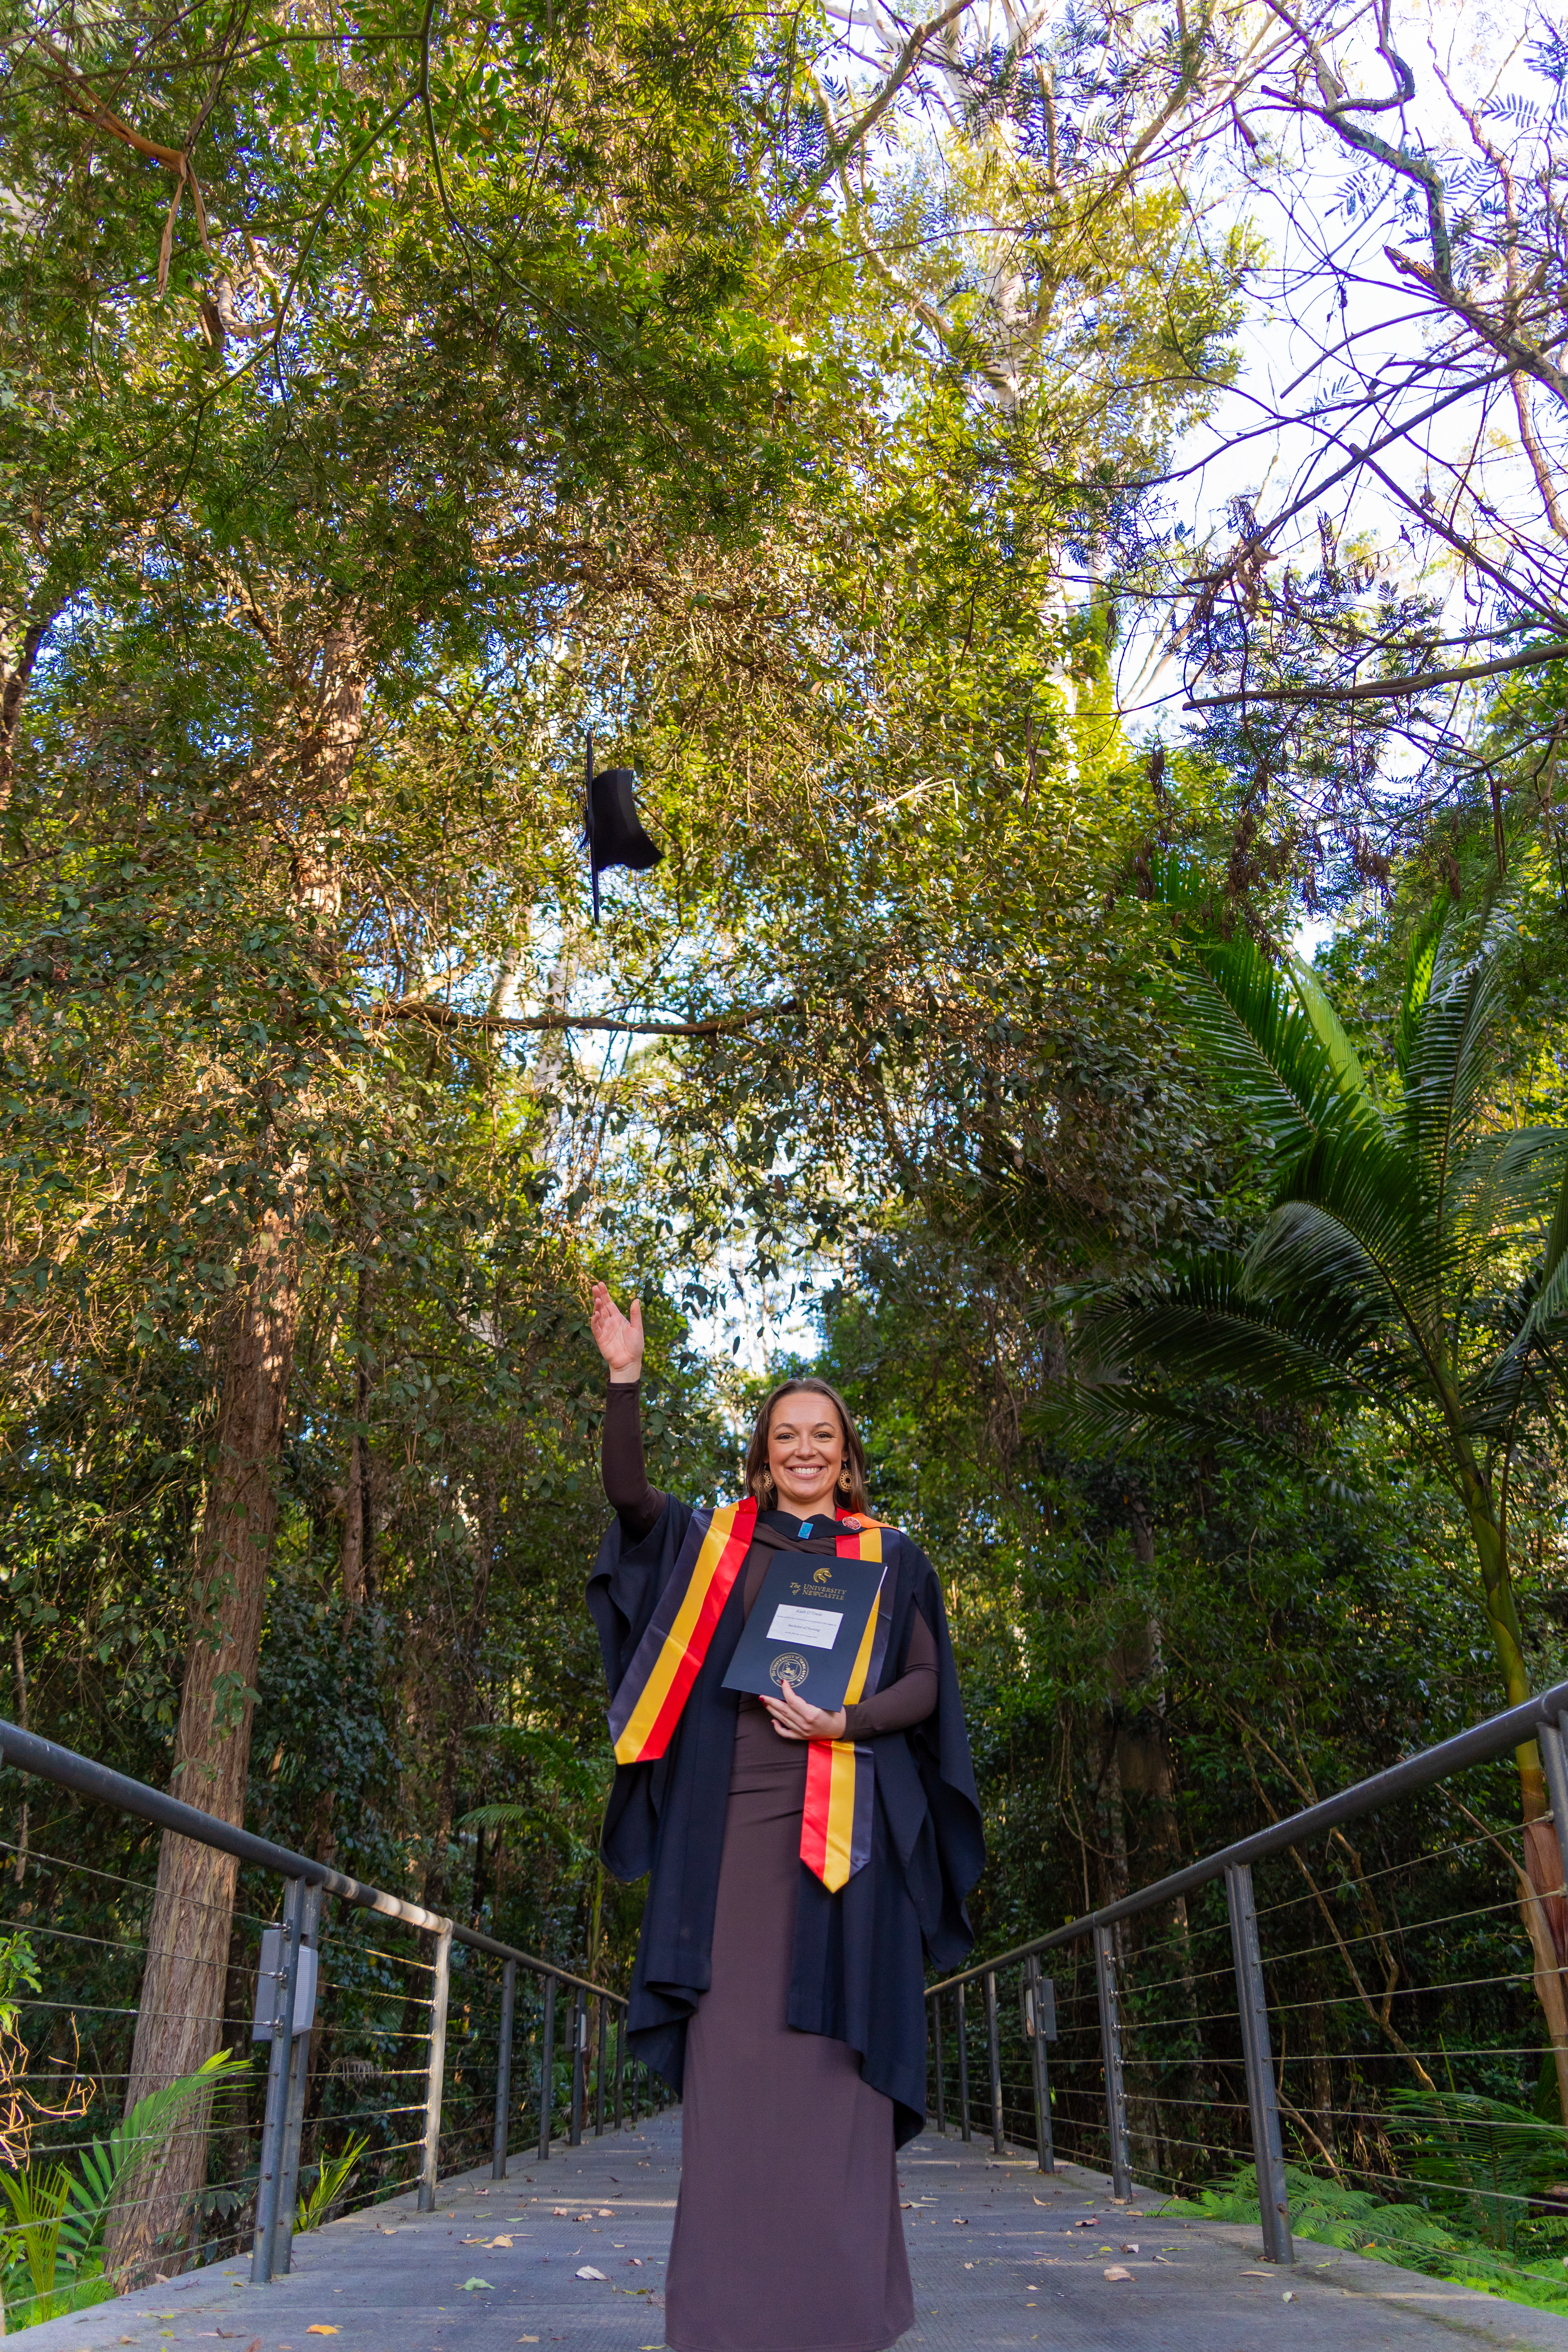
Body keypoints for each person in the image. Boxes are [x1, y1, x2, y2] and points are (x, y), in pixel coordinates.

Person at [585, 1284, 984, 2352]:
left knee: (835, 2089)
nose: (805, 1451)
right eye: (784, 1437)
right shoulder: (717, 1546)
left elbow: (926, 1690)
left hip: (850, 1859)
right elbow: (629, 1502)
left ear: (846, 1458)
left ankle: (837, 2320)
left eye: (824, 1438)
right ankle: (723, 2323)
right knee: (737, 2090)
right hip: (732, 1854)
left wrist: (843, 1723)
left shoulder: (893, 1557)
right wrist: (625, 1381)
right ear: (763, 1457)